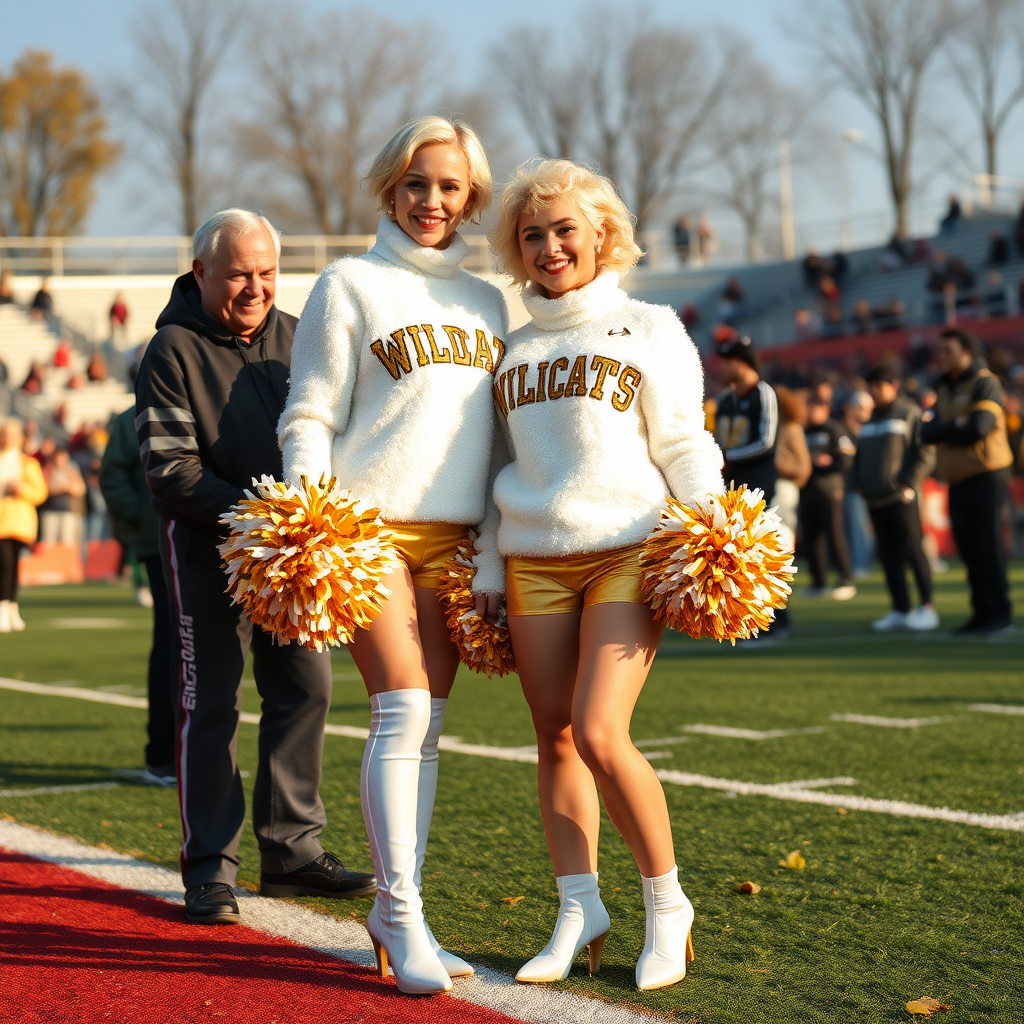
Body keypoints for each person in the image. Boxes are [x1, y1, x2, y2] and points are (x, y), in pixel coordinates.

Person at [279, 115, 507, 995]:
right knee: (401, 711)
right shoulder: (349, 285)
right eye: (418, 183)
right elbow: (310, 412)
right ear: (390, 187)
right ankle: (399, 909)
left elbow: (494, 444)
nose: (433, 201)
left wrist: (491, 543)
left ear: (472, 197)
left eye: (450, 187)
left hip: (453, 539)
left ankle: (401, 911)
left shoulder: (488, 302)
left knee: (431, 730)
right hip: (364, 526)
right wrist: (310, 514)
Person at [484, 159, 725, 991]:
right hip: (533, 559)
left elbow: (684, 441)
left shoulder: (650, 325)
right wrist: (487, 560)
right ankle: (579, 905)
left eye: (564, 231)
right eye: (532, 235)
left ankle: (668, 904)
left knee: (598, 731)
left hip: (627, 546)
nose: (549, 247)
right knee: (552, 737)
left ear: (600, 236)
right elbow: (493, 463)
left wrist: (713, 524)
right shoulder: (510, 347)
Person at [135, 208, 377, 928]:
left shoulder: (301, 334)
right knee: (209, 705)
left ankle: (292, 851)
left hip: (294, 561)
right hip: (208, 555)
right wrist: (261, 518)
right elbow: (167, 471)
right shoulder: (170, 349)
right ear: (201, 270)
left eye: (267, 272)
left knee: (307, 690)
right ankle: (209, 868)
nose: (255, 287)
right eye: (239, 273)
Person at [100, 403, 176, 785]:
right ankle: (162, 755)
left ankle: (182, 754)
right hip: (158, 537)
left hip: (198, 533)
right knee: (172, 639)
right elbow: (111, 475)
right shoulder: (130, 418)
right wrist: (139, 515)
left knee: (191, 643)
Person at [921, 328, 1014, 634]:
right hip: (957, 477)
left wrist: (947, 430)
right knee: (968, 549)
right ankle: (980, 613)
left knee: (988, 547)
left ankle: (999, 613)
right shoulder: (944, 386)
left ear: (966, 352)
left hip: (986, 473)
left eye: (948, 350)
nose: (942, 356)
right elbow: (927, 433)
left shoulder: (985, 381)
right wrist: (953, 425)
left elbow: (980, 426)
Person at [854, 367, 937, 631]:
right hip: (875, 500)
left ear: (894, 385)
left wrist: (909, 484)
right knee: (888, 557)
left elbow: (925, 451)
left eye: (879, 385)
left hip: (901, 498)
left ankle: (927, 607)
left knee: (913, 550)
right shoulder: (869, 422)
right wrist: (861, 485)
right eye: (871, 386)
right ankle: (901, 608)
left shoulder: (909, 413)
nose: (874, 391)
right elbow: (860, 459)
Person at [801, 395, 857, 599]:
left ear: (825, 409)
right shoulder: (805, 431)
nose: (812, 411)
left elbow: (847, 458)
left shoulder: (834, 429)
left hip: (830, 491)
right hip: (808, 492)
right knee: (812, 538)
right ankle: (818, 582)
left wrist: (828, 462)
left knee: (835, 535)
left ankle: (845, 579)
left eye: (816, 407)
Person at [0, 419, 48, 633]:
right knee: (4, 565)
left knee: (13, 567)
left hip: (19, 523)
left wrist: (21, 489)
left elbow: (40, 493)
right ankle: (3, 608)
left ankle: (11, 607)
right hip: (2, 522)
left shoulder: (27, 463)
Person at [841, 390, 875, 578]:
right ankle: (858, 563)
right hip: (853, 484)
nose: (863, 412)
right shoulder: (847, 429)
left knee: (860, 527)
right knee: (854, 526)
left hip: (867, 485)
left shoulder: (871, 429)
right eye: (860, 407)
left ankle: (861, 565)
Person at [39, 447, 86, 546]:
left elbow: (81, 489)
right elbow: (42, 489)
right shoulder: (48, 470)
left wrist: (68, 487)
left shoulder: (72, 471)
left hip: (69, 512)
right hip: (50, 511)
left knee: (67, 543)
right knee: (48, 544)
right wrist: (59, 488)